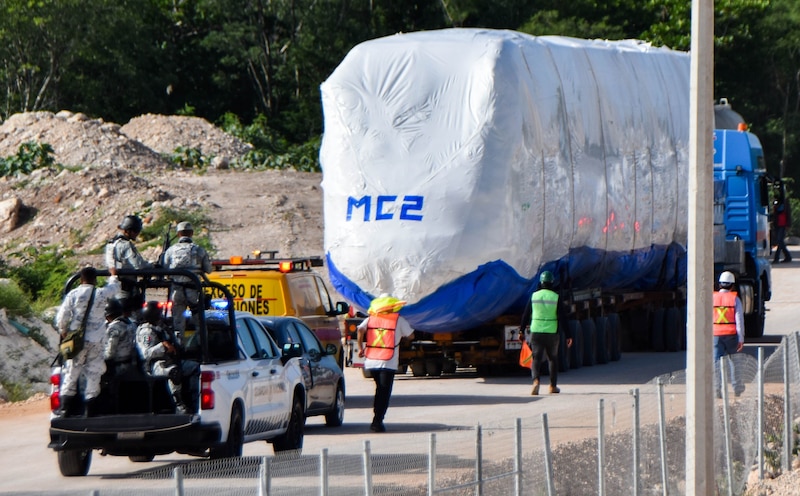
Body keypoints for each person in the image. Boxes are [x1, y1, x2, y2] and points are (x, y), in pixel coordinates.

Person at [55, 266, 120, 417]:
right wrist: (113, 276)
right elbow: (115, 289)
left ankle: (65, 409)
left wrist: (63, 331)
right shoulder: (101, 293)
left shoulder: (73, 294)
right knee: (94, 372)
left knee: (72, 372)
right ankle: (90, 410)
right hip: (96, 339)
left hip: (77, 341)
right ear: (95, 279)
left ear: (81, 279)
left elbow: (62, 315)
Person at [356, 293, 415, 432]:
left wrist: (360, 348)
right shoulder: (398, 320)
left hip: (371, 361)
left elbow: (360, 329)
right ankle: (377, 421)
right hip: (388, 362)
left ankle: (376, 418)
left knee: (379, 389)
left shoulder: (372, 319)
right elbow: (411, 335)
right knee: (383, 391)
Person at [135, 301, 197, 414]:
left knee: (194, 367)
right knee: (174, 372)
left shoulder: (160, 326)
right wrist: (162, 347)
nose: (161, 315)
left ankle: (194, 404)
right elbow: (146, 354)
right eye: (158, 313)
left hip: (170, 360)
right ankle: (178, 405)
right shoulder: (146, 331)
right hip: (155, 365)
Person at [161, 221, 212, 344]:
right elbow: (208, 270)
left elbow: (164, 269)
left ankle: (179, 351)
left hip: (176, 292)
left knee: (178, 325)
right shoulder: (199, 250)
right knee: (200, 323)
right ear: (191, 233)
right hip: (193, 291)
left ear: (178, 234)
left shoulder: (170, 251)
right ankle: (203, 351)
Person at [525, 270, 572, 395]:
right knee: (552, 359)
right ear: (552, 282)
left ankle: (536, 382)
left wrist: (520, 330)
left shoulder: (534, 296)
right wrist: (568, 335)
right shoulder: (555, 297)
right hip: (552, 332)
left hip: (536, 331)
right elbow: (562, 317)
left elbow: (526, 314)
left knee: (536, 358)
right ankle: (552, 386)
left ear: (540, 282)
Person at [105, 214, 152, 310]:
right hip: (125, 289)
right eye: (136, 231)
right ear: (129, 230)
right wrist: (152, 265)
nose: (137, 234)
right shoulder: (126, 245)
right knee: (132, 319)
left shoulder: (110, 244)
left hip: (112, 287)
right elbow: (139, 265)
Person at [713, 271, 745, 397]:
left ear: (720, 284)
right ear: (732, 285)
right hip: (731, 335)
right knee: (734, 362)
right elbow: (739, 320)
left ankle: (717, 389)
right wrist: (741, 338)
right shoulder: (734, 299)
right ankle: (737, 388)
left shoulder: (713, 298)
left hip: (715, 335)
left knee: (716, 362)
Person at [103, 298, 138, 376]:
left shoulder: (114, 327)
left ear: (108, 315)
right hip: (131, 365)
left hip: (117, 368)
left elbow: (109, 354)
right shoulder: (132, 324)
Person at [773, 197, 792, 263]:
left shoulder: (785, 201)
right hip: (778, 224)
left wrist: (788, 224)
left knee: (779, 241)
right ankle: (788, 257)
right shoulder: (777, 201)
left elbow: (787, 213)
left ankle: (776, 258)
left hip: (783, 224)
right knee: (780, 242)